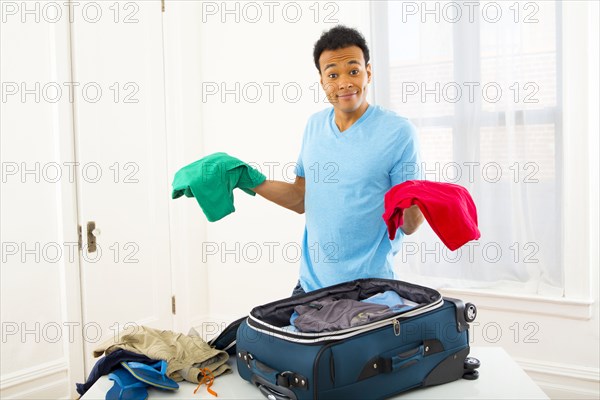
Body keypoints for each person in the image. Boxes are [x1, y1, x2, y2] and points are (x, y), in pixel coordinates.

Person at [253, 25, 424, 296]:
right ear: (322, 80)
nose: (344, 82)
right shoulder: (314, 126)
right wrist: (247, 179)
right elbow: (300, 198)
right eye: (333, 74)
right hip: (310, 290)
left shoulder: (398, 132)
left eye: (353, 71)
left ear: (368, 73)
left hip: (369, 293)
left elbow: (410, 225)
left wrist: (423, 196)